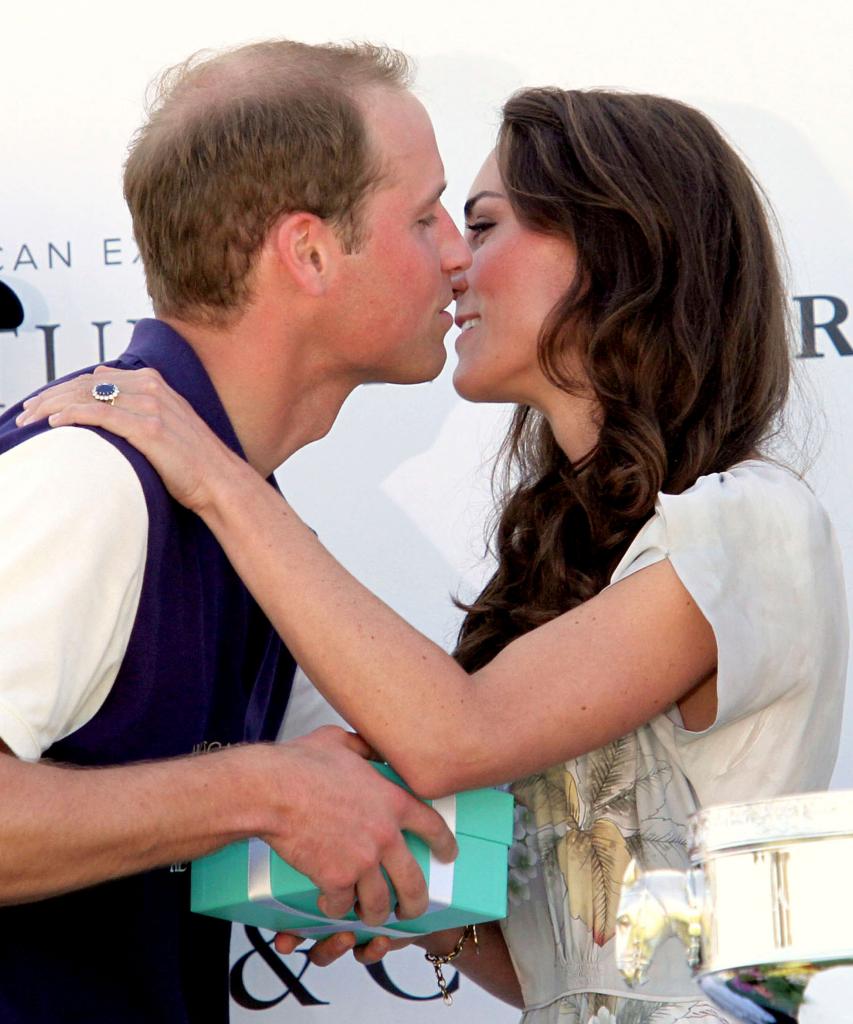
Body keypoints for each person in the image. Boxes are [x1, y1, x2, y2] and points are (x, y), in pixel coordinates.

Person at [21, 87, 848, 1023]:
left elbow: (458, 737)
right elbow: (579, 962)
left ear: (617, 252)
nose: (454, 263)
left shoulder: (754, 523)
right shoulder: (573, 555)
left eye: (482, 224)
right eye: (436, 223)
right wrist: (419, 914)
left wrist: (216, 475)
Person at [0, 40, 467, 1024]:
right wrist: (263, 793)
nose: (458, 253)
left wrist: (329, 826)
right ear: (306, 251)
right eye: (423, 216)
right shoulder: (90, 478)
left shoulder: (231, 506)